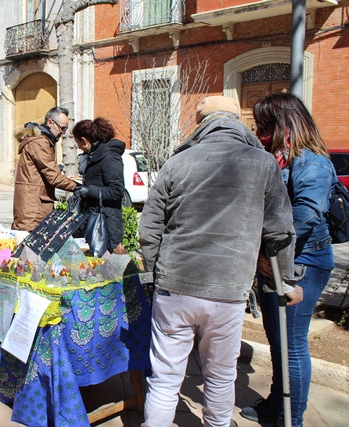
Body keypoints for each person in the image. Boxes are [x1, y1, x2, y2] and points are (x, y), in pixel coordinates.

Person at [138, 96, 303, 427]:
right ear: (238, 122)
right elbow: (280, 231)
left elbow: (149, 227)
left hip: (175, 285)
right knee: (221, 374)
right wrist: (284, 280)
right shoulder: (263, 163)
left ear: (200, 125)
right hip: (228, 289)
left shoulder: (176, 163)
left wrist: (156, 271)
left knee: (166, 377)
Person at [241, 93, 335, 427]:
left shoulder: (312, 161)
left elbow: (306, 214)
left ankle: (290, 417)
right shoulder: (278, 159)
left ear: (284, 124)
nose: (259, 130)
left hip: (303, 262)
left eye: (265, 124)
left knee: (291, 345)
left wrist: (267, 248)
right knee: (277, 341)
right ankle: (275, 404)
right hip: (275, 260)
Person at [12, 106, 79, 231]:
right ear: (50, 122)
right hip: (33, 211)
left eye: (66, 128)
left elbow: (48, 174)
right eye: (62, 128)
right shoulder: (39, 143)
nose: (63, 132)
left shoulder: (44, 142)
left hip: (34, 207)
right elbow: (53, 177)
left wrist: (67, 180)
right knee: (29, 248)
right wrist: (78, 187)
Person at [71, 117, 126, 253]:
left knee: (107, 271)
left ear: (84, 140)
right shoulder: (94, 155)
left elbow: (117, 191)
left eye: (77, 142)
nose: (78, 147)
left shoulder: (109, 156)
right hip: (92, 220)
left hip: (105, 226)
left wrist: (88, 191)